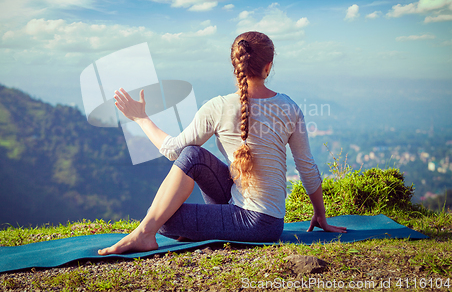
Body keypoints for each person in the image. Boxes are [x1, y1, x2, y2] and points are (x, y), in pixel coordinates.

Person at [98, 31, 346, 255]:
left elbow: (172, 149)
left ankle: (145, 234)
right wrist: (321, 216)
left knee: (164, 219)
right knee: (193, 155)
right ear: (268, 67)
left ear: (235, 64)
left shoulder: (217, 106)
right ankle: (153, 231)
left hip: (256, 224)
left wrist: (141, 119)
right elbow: (307, 168)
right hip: (270, 220)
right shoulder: (290, 107)